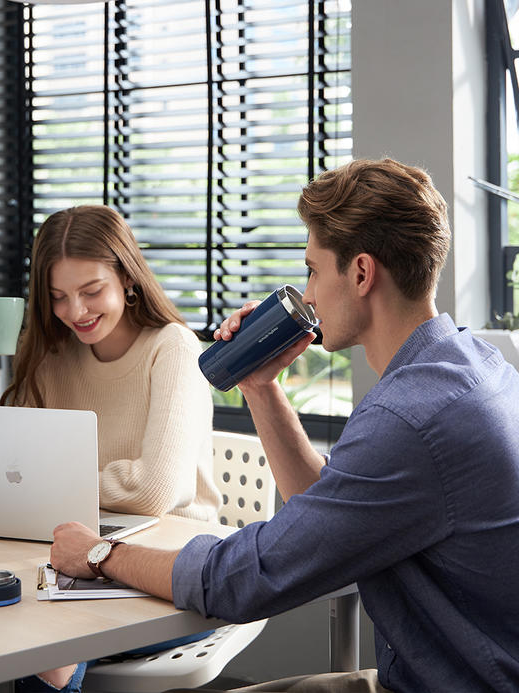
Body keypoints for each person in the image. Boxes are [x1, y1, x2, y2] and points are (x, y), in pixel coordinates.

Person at [49, 159, 519, 693]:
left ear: (362, 273)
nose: (308, 294)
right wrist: (260, 386)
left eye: (313, 270)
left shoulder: (408, 417)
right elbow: (320, 514)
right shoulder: (470, 364)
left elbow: (249, 578)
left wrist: (101, 554)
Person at [2, 205, 221, 693]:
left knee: (49, 653)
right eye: (58, 297)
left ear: (127, 276)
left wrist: (54, 485)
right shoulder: (49, 355)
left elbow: (152, 490)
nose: (74, 312)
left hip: (172, 572)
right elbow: (14, 474)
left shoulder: (173, 348)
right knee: (27, 628)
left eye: (91, 291)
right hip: (69, 558)